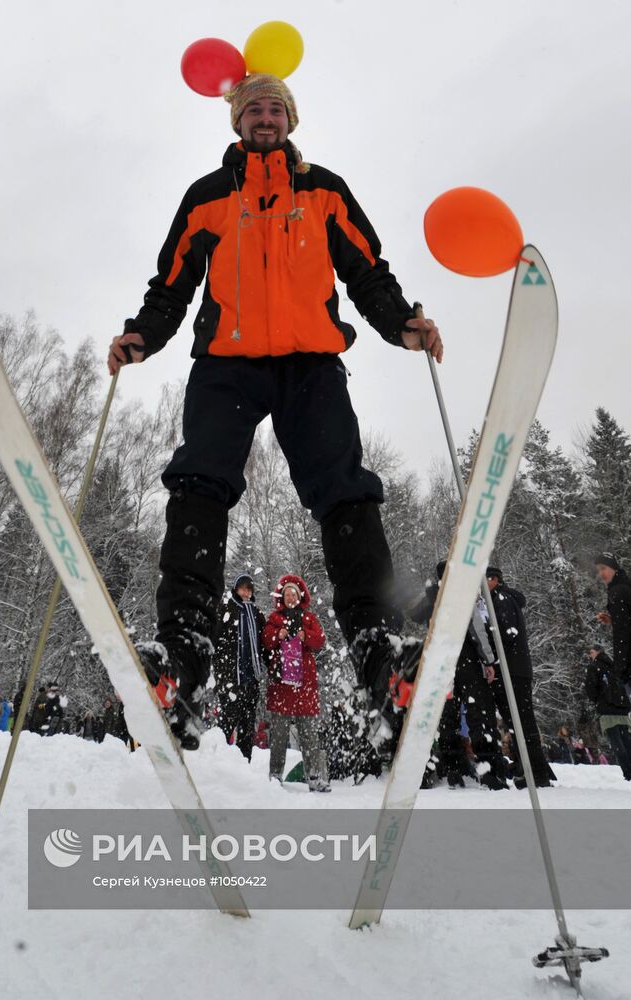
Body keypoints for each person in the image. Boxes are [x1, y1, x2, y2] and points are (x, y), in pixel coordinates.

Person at [107, 72, 442, 750]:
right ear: (237, 120)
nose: (265, 117)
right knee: (198, 482)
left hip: (310, 365)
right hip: (226, 365)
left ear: (291, 120)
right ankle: (183, 656)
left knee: (346, 492)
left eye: (276, 108)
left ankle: (381, 654)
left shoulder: (324, 190)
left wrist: (403, 323)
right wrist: (143, 334)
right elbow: (171, 282)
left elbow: (367, 270)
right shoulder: (207, 197)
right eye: (254, 108)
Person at [410, 563, 507, 789]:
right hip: (466, 659)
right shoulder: (461, 593)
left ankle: (453, 768)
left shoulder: (432, 596)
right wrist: (488, 659)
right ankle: (489, 769)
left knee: (449, 717)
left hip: (442, 662)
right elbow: (476, 629)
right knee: (478, 714)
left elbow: (415, 616)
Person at [485, 567, 556, 788]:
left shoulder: (502, 599)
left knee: (521, 721)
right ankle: (534, 769)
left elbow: (507, 634)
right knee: (518, 722)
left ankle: (536, 772)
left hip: (512, 670)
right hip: (514, 669)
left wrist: (492, 659)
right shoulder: (499, 598)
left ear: (494, 580)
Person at [262, 575, 330, 792]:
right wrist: (277, 635)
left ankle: (314, 777)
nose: (290, 597)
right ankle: (275, 776)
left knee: (309, 734)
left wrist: (305, 636)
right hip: (281, 685)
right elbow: (266, 640)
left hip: (304, 686)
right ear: (282, 597)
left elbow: (320, 640)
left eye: (294, 594)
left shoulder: (309, 618)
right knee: (279, 735)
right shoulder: (274, 618)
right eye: (287, 594)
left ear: (299, 596)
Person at [214, 573, 266, 761]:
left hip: (251, 680)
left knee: (247, 727)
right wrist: (219, 671)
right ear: (236, 590)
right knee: (226, 725)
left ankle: (244, 764)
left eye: (249, 589)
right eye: (242, 588)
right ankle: (218, 762)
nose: (246, 592)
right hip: (231, 680)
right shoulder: (226, 609)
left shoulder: (257, 613)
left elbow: (265, 644)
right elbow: (214, 639)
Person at [586, 646, 631, 780]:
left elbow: (591, 688)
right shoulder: (613, 666)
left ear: (597, 652)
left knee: (617, 744)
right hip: (622, 709)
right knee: (627, 742)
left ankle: (628, 773)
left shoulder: (594, 667)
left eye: (591, 652)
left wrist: (596, 700)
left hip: (607, 709)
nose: (590, 655)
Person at [595, 553, 631, 688]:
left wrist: (619, 669)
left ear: (614, 568)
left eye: (603, 568)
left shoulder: (617, 591)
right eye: (598, 570)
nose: (601, 573)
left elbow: (622, 633)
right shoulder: (626, 586)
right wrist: (612, 620)